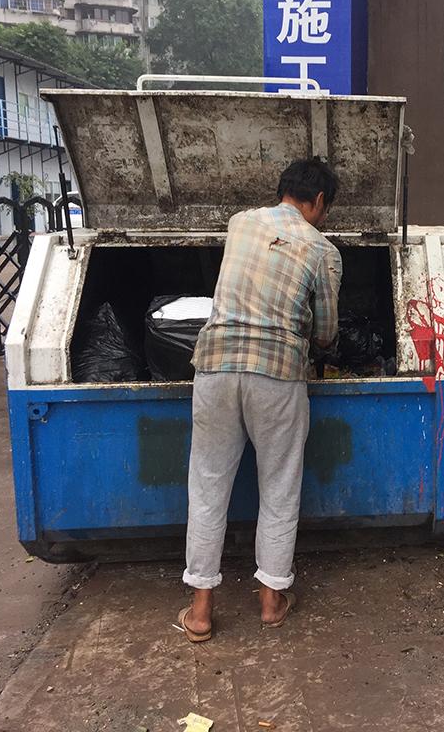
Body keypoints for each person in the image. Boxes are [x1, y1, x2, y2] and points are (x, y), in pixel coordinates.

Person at [177, 158, 342, 642]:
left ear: (282, 191)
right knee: (279, 486)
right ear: (317, 203)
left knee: (207, 486)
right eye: (325, 208)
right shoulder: (321, 248)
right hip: (278, 374)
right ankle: (271, 600)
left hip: (215, 365)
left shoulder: (240, 224)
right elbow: (328, 334)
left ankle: (201, 610)